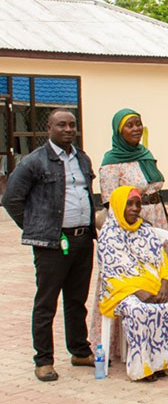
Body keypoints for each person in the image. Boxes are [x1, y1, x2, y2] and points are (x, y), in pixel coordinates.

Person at [2, 109, 96, 382]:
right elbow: (11, 199)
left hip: (82, 239)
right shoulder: (34, 162)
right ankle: (43, 360)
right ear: (49, 128)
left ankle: (79, 350)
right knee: (46, 302)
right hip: (52, 243)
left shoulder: (82, 157)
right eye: (61, 125)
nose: (68, 129)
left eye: (72, 125)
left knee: (77, 300)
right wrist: (36, 228)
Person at [96, 186, 168, 381]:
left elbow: (163, 263)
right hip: (123, 291)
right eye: (129, 204)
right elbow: (110, 274)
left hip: (154, 285)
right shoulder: (108, 235)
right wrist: (137, 291)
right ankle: (143, 367)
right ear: (118, 206)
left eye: (138, 204)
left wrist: (165, 285)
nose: (135, 209)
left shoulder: (146, 231)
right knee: (137, 310)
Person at [100, 108, 168, 230]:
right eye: (129, 126)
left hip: (158, 217)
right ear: (119, 131)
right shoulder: (111, 161)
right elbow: (110, 202)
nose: (136, 129)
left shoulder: (145, 154)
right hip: (133, 221)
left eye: (139, 124)